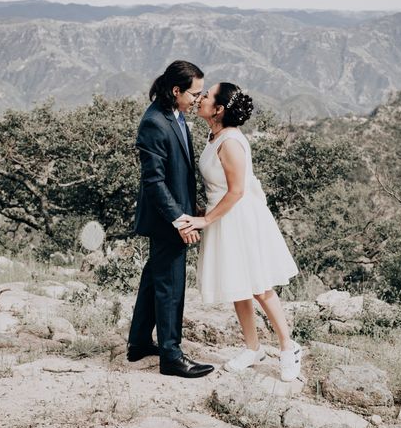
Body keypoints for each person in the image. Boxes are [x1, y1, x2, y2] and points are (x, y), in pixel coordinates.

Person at [178, 82, 302, 382]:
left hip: (238, 218)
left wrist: (206, 221)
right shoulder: (213, 135)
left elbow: (236, 192)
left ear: (218, 109)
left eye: (206, 96)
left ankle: (288, 348)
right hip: (222, 217)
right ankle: (252, 347)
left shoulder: (231, 142)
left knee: (259, 286)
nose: (201, 98)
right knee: (238, 285)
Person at [128, 60, 214, 379]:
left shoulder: (175, 114)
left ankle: (138, 344)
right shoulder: (154, 122)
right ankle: (172, 356)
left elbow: (180, 174)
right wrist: (181, 219)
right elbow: (154, 181)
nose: (198, 100)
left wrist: (193, 209)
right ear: (176, 91)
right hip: (167, 219)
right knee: (171, 285)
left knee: (155, 278)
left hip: (177, 212)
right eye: (195, 94)